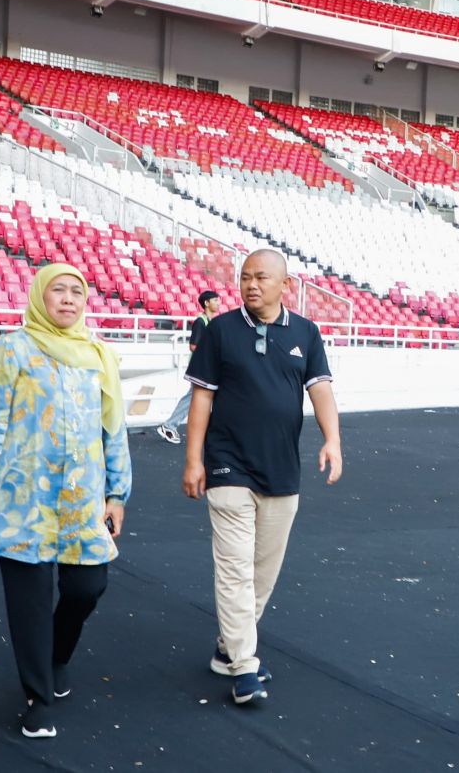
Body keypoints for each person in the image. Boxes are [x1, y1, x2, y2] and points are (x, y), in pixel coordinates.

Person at [0, 264, 131, 739]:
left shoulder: (98, 354)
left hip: (83, 501)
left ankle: (57, 656)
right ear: (40, 295)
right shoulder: (13, 349)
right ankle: (38, 695)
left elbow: (113, 431)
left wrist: (117, 493)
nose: (69, 299)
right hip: (22, 500)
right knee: (29, 602)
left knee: (87, 588)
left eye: (78, 291)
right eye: (58, 289)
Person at [181, 249, 342, 706]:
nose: (252, 285)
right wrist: (195, 460)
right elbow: (201, 400)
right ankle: (245, 665)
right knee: (234, 569)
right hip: (228, 464)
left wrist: (333, 440)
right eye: (245, 277)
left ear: (285, 285)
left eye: (262, 277)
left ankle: (227, 646)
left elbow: (322, 390)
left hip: (282, 468)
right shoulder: (220, 331)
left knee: (262, 571)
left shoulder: (306, 333)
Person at [156, 290, 220, 444]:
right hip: (201, 367)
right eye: (215, 300)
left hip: (206, 366)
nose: (218, 303)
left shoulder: (209, 322)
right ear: (206, 303)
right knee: (193, 397)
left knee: (204, 397)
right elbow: (193, 346)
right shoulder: (200, 322)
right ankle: (169, 425)